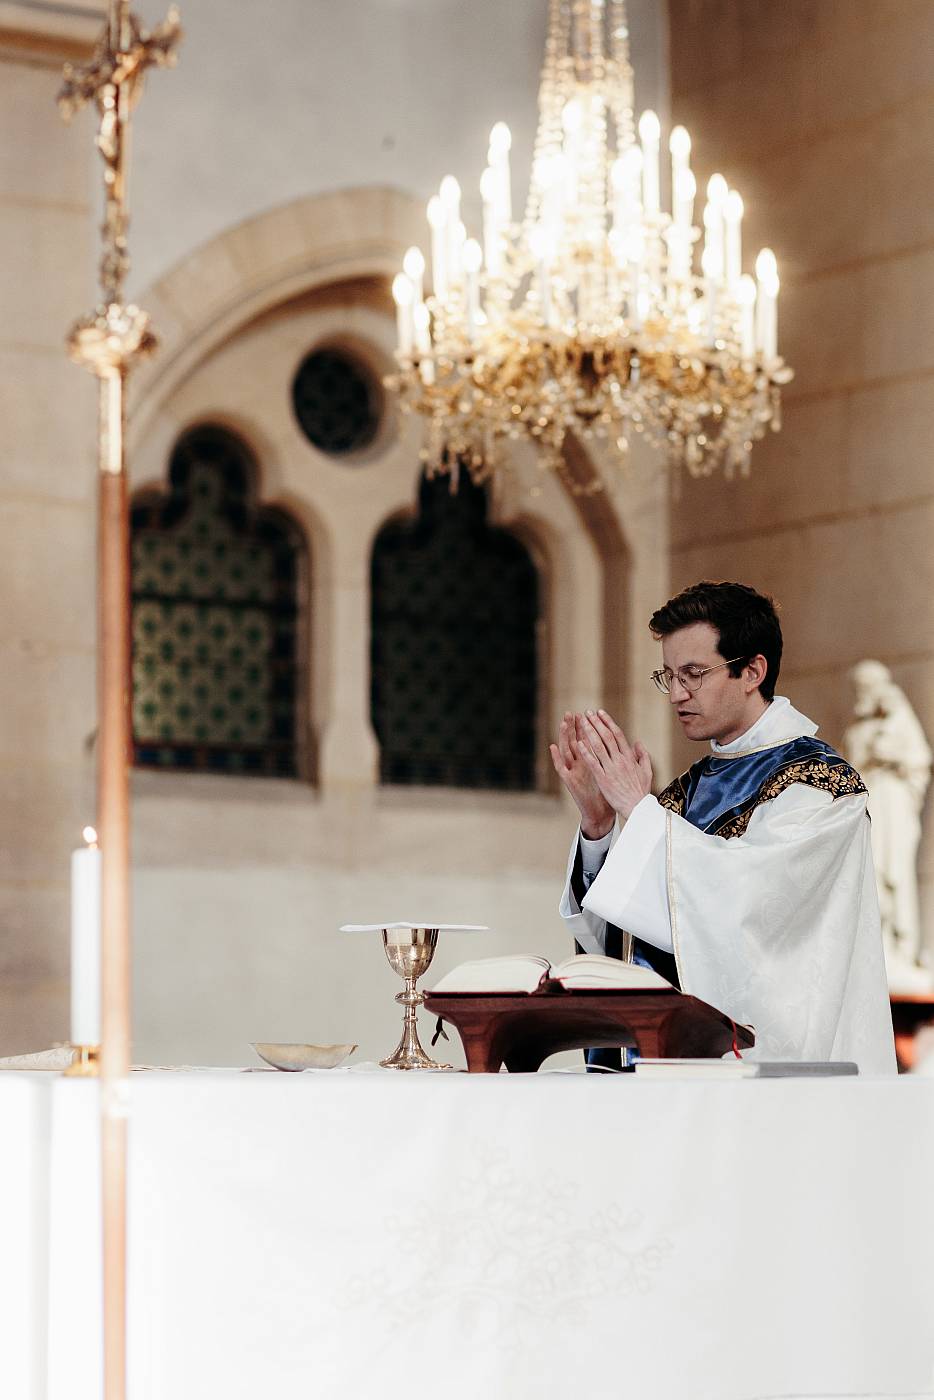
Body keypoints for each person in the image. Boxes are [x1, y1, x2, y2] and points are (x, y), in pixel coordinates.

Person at [551, 580, 896, 1074]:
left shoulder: (819, 788)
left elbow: (751, 914)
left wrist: (638, 807)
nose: (675, 694)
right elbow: (625, 936)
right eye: (667, 675)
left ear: (753, 671)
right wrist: (600, 823)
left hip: (774, 1078)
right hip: (663, 1074)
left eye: (693, 673)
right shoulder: (688, 791)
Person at [844, 659, 932, 989]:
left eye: (869, 686)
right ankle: (875, 948)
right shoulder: (856, 729)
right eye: (860, 687)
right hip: (866, 808)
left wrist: (889, 754)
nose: (865, 693)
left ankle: (898, 946)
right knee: (870, 874)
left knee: (893, 872)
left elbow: (919, 761)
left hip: (892, 807)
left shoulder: (900, 722)